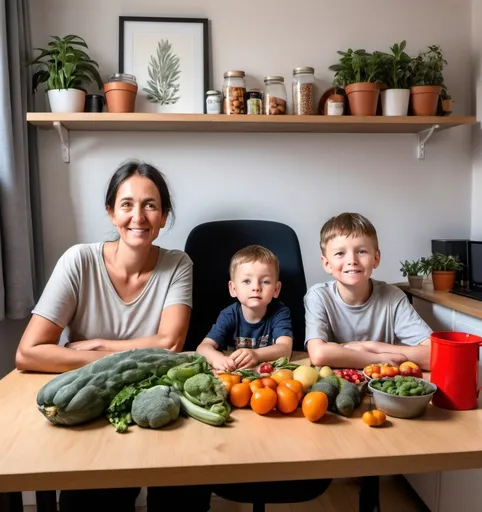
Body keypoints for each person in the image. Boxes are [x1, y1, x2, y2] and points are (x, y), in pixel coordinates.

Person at [15, 161, 210, 511]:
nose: (139, 216)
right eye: (127, 204)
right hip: (90, 402)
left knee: (183, 496)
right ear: (110, 212)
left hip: (158, 399)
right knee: (91, 502)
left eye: (151, 205)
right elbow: (28, 353)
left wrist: (101, 345)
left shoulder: (178, 264)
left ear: (164, 216)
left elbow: (170, 343)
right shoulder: (78, 261)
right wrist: (112, 361)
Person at [305, 212, 432, 370]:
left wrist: (372, 346)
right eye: (340, 253)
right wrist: (377, 359)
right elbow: (319, 354)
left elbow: (434, 355)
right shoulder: (318, 296)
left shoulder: (394, 296)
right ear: (327, 264)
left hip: (384, 385)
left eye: (361, 251)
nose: (352, 260)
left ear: (376, 259)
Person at [197, 245, 293, 371]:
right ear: (233, 288)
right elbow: (203, 347)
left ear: (276, 289)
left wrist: (257, 355)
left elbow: (285, 349)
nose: (256, 287)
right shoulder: (229, 315)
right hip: (235, 375)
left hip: (268, 377)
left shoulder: (279, 313)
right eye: (247, 281)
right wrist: (216, 358)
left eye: (265, 281)